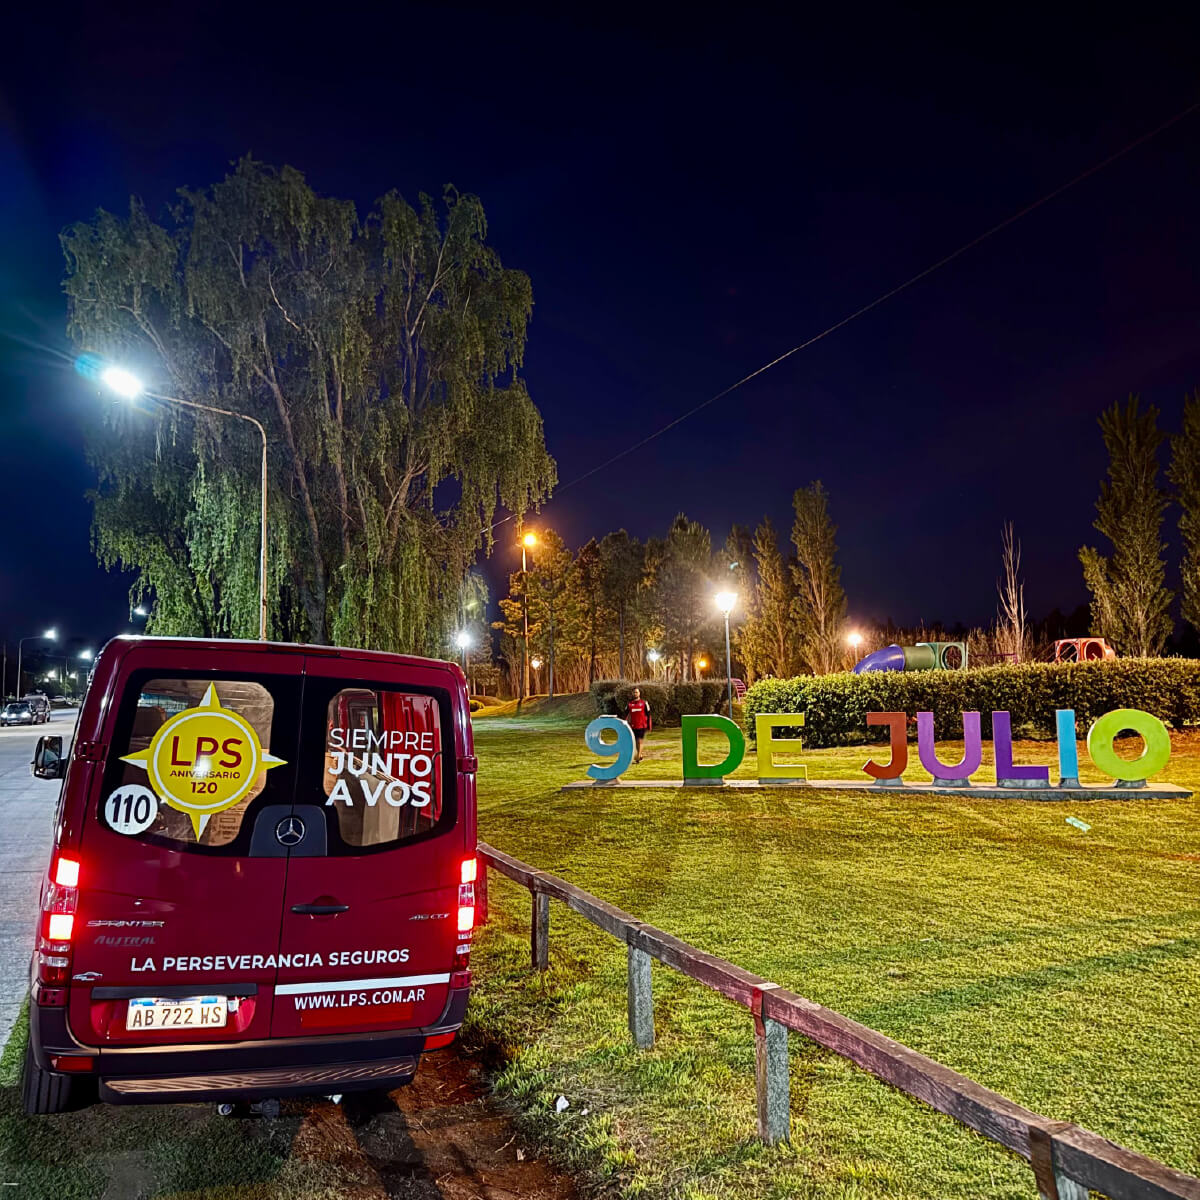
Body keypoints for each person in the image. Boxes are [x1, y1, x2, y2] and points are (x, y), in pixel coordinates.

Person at [626, 686, 652, 763]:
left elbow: (648, 715)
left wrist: (649, 725)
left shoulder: (644, 703)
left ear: (639, 693)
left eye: (637, 692)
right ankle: (640, 755)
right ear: (632, 693)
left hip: (642, 726)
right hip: (633, 726)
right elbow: (626, 714)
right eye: (634, 692)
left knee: (640, 741)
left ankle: (637, 757)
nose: (635, 693)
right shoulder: (630, 704)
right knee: (635, 741)